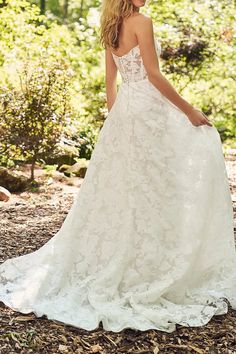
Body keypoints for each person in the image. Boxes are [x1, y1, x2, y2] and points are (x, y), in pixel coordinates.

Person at [0, 0, 235, 333]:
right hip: (149, 110)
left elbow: (111, 81)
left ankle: (134, 255)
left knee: (128, 186)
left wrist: (115, 120)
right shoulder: (142, 20)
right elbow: (153, 75)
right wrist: (189, 110)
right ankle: (151, 261)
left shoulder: (110, 25)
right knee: (159, 181)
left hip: (126, 110)